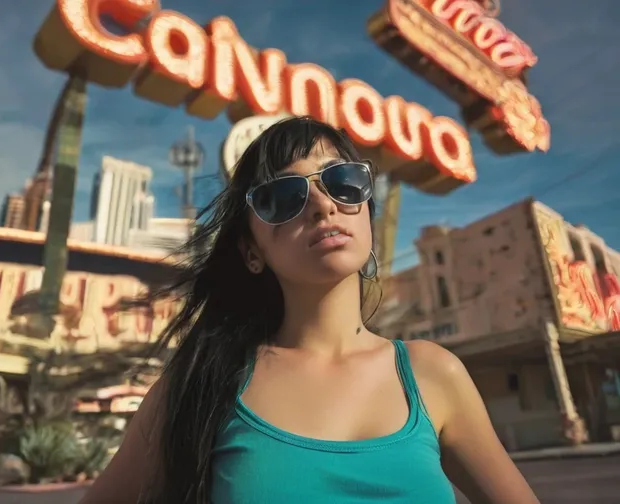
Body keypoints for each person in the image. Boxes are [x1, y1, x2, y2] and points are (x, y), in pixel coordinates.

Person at [79, 117, 539, 504]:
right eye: (282, 198)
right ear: (250, 251)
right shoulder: (200, 383)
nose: (323, 205)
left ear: (367, 214)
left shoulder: (434, 373)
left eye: (343, 181)